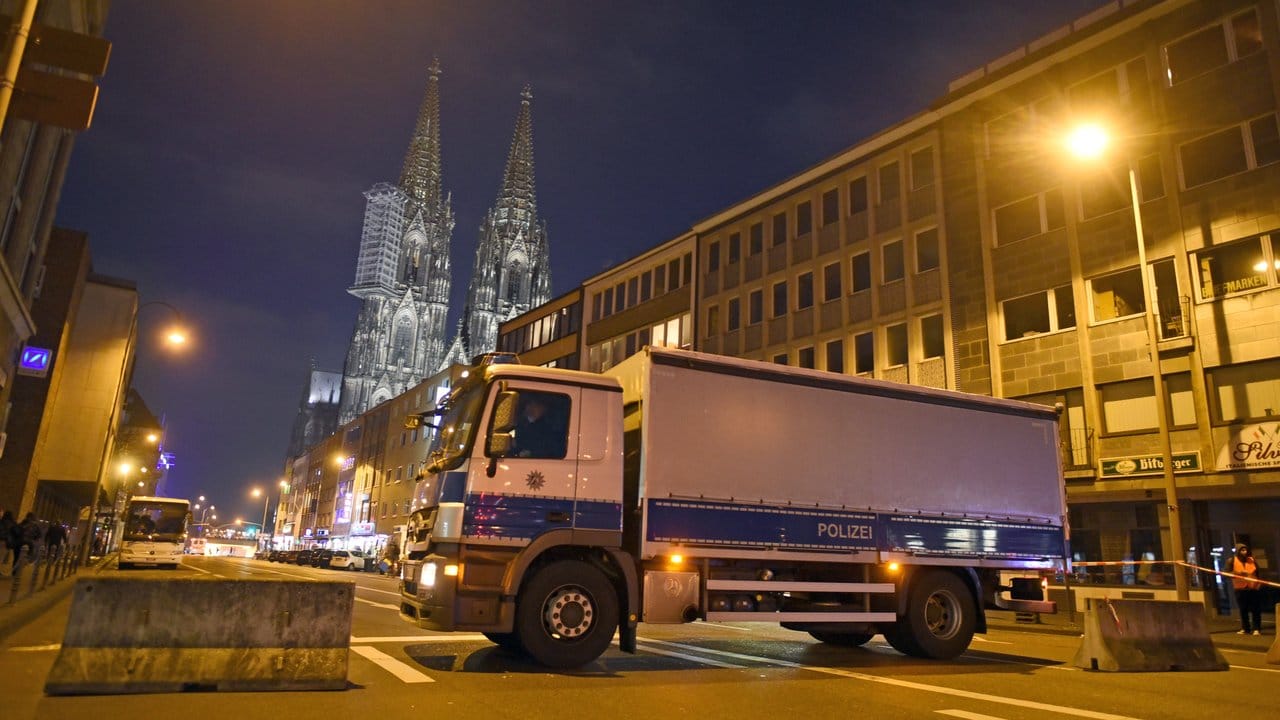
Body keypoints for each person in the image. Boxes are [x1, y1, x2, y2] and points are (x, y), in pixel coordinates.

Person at [513, 394, 565, 458]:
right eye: (527, 405)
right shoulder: (523, 425)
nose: (528, 408)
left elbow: (547, 449)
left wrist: (529, 452)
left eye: (532, 404)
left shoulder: (548, 428)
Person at [1231, 544, 1263, 636]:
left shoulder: (1252, 560)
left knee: (1255, 609)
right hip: (1240, 588)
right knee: (1243, 610)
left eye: (1245, 549)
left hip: (1253, 588)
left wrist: (1258, 584)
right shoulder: (1232, 561)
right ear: (1237, 551)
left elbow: (1258, 573)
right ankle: (1245, 628)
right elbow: (1226, 572)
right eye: (1242, 550)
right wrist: (1239, 573)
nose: (1244, 552)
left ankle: (1256, 628)